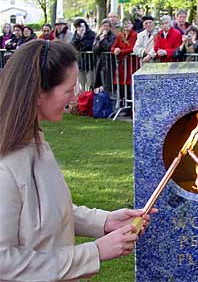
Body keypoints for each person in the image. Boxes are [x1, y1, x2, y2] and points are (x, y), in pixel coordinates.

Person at [0, 39, 156, 280]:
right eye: (68, 89)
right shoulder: (5, 166)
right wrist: (93, 252)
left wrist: (104, 221)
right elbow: (4, 263)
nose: (75, 97)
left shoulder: (34, 142)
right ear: (39, 93)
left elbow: (45, 213)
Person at [111, 17, 138, 109]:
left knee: (130, 84)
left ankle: (131, 107)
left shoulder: (135, 35)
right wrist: (115, 50)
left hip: (131, 64)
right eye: (125, 23)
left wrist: (120, 51)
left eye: (128, 23)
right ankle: (123, 105)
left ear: (132, 25)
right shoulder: (120, 35)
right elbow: (113, 47)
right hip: (122, 65)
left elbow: (133, 48)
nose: (126, 25)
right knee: (122, 85)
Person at [71, 18, 96, 91]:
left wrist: (82, 39)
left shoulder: (91, 34)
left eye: (80, 26)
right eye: (77, 27)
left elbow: (88, 46)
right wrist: (79, 37)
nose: (79, 28)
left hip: (90, 63)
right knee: (82, 84)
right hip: (80, 63)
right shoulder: (76, 34)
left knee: (90, 83)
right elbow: (73, 45)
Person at [93, 19, 116, 90]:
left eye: (107, 26)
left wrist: (103, 40)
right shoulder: (98, 36)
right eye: (104, 26)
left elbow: (109, 47)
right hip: (100, 61)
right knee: (100, 81)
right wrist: (100, 40)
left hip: (110, 62)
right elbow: (95, 50)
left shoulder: (113, 36)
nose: (105, 27)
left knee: (108, 82)